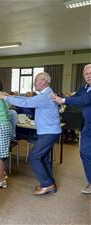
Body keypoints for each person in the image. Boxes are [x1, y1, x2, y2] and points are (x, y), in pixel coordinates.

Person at [0, 72, 61, 195]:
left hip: (49, 132)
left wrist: (5, 98)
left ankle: (47, 184)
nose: (34, 82)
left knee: (34, 157)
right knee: (43, 158)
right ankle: (49, 183)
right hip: (48, 131)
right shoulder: (45, 94)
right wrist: (8, 95)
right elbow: (28, 99)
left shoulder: (45, 96)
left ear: (43, 81)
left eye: (36, 80)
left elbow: (26, 103)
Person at [51, 64, 91, 194]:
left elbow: (84, 100)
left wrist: (62, 100)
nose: (89, 75)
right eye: (86, 74)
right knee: (84, 153)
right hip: (88, 127)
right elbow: (76, 97)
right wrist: (58, 97)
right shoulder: (84, 88)